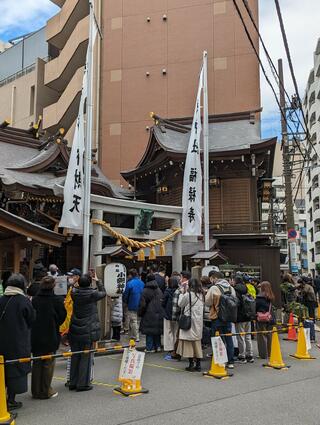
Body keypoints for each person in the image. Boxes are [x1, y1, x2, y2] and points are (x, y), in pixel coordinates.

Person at [0, 273, 36, 410]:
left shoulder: (1, 299)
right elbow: (31, 319)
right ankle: (11, 400)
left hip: (2, 343)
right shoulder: (23, 301)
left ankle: (1, 399)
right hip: (18, 342)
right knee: (15, 371)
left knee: (1, 370)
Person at [69, 273, 106, 391]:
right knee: (86, 356)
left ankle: (72, 382)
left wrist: (76, 283)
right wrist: (98, 281)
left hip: (75, 328)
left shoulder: (74, 293)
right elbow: (104, 293)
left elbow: (73, 288)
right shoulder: (92, 294)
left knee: (75, 356)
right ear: (90, 283)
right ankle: (82, 384)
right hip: (88, 329)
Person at [31, 276, 66, 399]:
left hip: (35, 336)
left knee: (36, 362)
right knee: (48, 363)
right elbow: (62, 316)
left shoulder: (34, 300)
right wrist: (55, 323)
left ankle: (35, 391)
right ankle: (46, 390)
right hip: (51, 334)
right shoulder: (56, 300)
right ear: (53, 286)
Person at [205, 270, 236, 369]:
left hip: (217, 317)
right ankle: (230, 361)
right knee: (228, 338)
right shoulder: (231, 288)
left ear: (214, 278)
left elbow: (208, 302)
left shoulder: (214, 288)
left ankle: (220, 361)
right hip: (228, 318)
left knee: (217, 338)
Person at [176, 278, 204, 372]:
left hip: (189, 322)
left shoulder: (188, 295)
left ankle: (191, 364)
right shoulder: (201, 295)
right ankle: (199, 364)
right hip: (198, 322)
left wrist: (181, 294)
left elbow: (180, 304)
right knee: (197, 343)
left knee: (189, 344)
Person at [138, 273, 164, 352]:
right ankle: (158, 346)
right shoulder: (159, 290)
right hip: (159, 313)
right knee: (157, 331)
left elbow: (142, 305)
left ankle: (150, 348)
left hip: (149, 314)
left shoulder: (145, 291)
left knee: (149, 332)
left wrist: (140, 313)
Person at [234, 276, 254, 364]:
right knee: (248, 336)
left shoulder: (235, 291)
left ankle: (242, 356)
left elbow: (235, 304)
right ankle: (250, 355)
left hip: (240, 317)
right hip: (248, 316)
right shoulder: (246, 289)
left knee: (240, 337)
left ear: (235, 281)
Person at [122, 268, 144, 342]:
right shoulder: (142, 282)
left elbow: (125, 295)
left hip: (132, 304)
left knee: (133, 320)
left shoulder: (129, 283)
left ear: (130, 275)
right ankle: (134, 335)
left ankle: (136, 336)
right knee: (138, 321)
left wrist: (125, 302)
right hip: (141, 304)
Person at [256, 281, 275, 359]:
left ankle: (263, 354)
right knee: (269, 335)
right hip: (270, 317)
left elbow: (256, 308)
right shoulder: (271, 297)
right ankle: (270, 353)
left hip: (261, 318)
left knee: (261, 336)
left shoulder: (259, 297)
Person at [162, 276, 180, 359]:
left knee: (168, 331)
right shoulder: (179, 291)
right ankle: (176, 347)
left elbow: (163, 303)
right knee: (176, 331)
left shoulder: (167, 291)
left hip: (168, 314)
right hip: (177, 314)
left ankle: (169, 347)